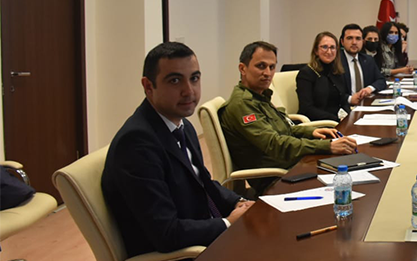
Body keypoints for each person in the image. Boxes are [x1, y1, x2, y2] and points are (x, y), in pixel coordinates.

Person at [102, 42, 253, 257]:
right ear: (148, 86)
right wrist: (227, 223)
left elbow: (204, 184)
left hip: (203, 237)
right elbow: (165, 233)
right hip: (179, 253)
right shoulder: (136, 143)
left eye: (194, 78)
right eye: (175, 80)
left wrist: (240, 203)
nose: (189, 91)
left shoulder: (183, 126)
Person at [220, 41, 357, 194]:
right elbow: (275, 144)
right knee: (346, 185)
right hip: (277, 178)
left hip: (292, 165)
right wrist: (326, 146)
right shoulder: (243, 104)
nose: (268, 73)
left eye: (272, 67)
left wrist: (311, 132)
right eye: (261, 66)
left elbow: (283, 129)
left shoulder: (259, 96)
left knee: (352, 169)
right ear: (242, 68)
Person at [296, 32, 356, 122]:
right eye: (324, 47)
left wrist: (349, 117)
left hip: (338, 121)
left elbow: (343, 101)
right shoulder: (306, 73)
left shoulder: (337, 72)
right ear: (316, 51)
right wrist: (336, 119)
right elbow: (307, 109)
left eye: (332, 47)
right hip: (317, 124)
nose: (329, 51)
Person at [339, 23, 387, 96]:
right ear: (342, 42)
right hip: (345, 105)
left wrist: (370, 88)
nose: (354, 42)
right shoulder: (336, 61)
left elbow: (381, 80)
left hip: (365, 103)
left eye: (358, 38)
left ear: (362, 41)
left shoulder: (368, 59)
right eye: (349, 38)